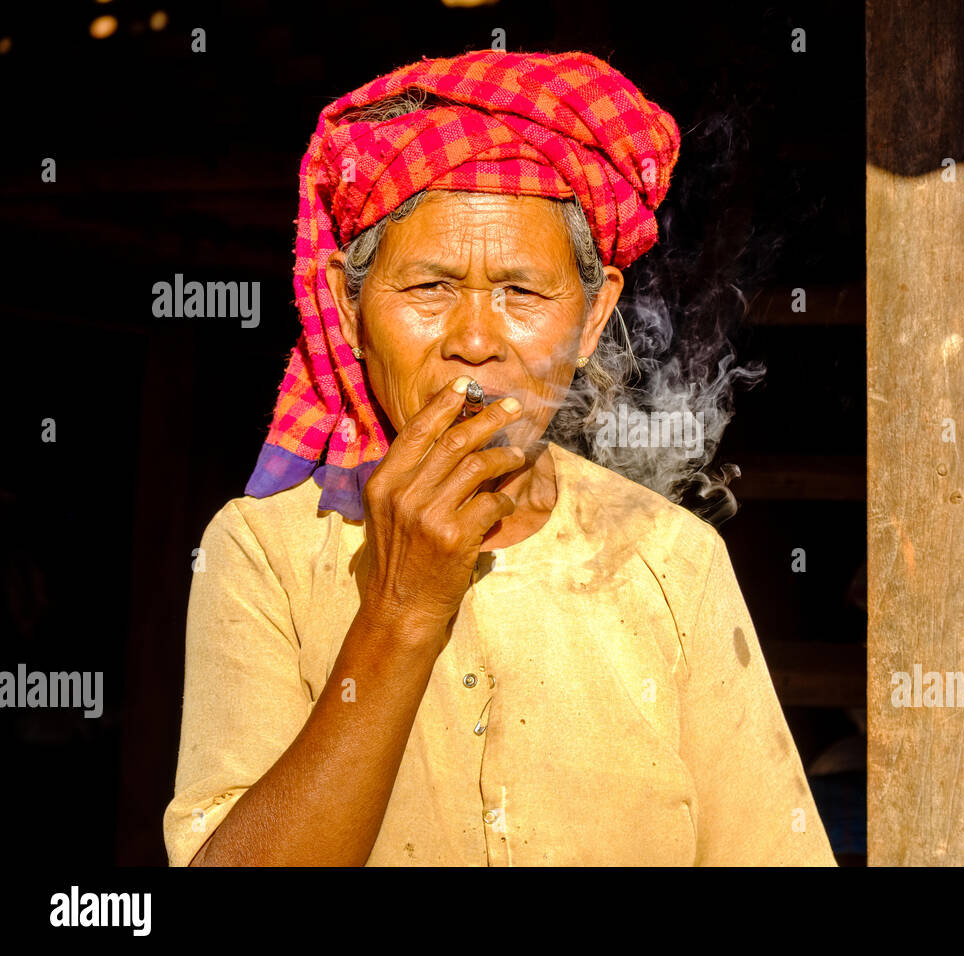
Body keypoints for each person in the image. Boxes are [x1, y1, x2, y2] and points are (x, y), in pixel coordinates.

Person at [162, 48, 836, 866]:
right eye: (429, 288)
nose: (475, 342)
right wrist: (402, 608)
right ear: (349, 303)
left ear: (593, 317)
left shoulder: (673, 560)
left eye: (522, 293)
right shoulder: (265, 550)